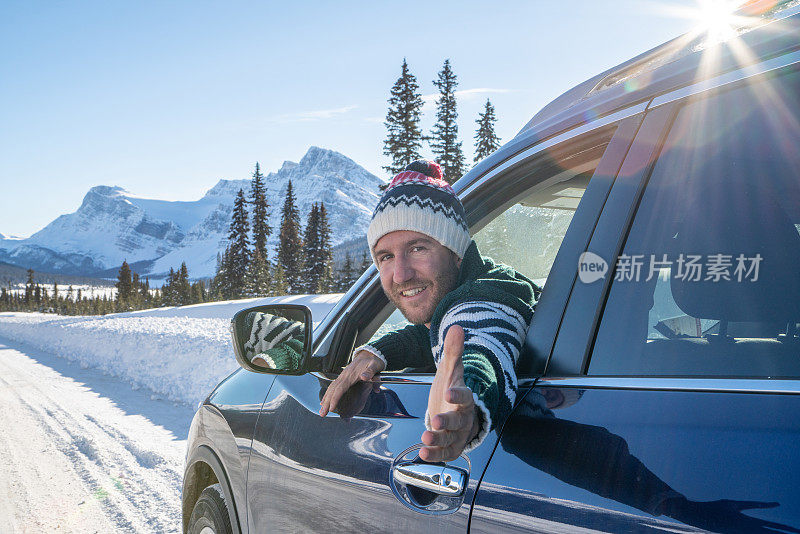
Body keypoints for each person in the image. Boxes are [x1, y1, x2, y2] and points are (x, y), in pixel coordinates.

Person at [319, 160, 540, 462]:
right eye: (385, 256)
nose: (400, 275)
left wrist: (468, 401)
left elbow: (483, 342)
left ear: (456, 254)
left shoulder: (483, 299)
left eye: (417, 248)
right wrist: (375, 352)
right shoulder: (484, 283)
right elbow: (431, 335)